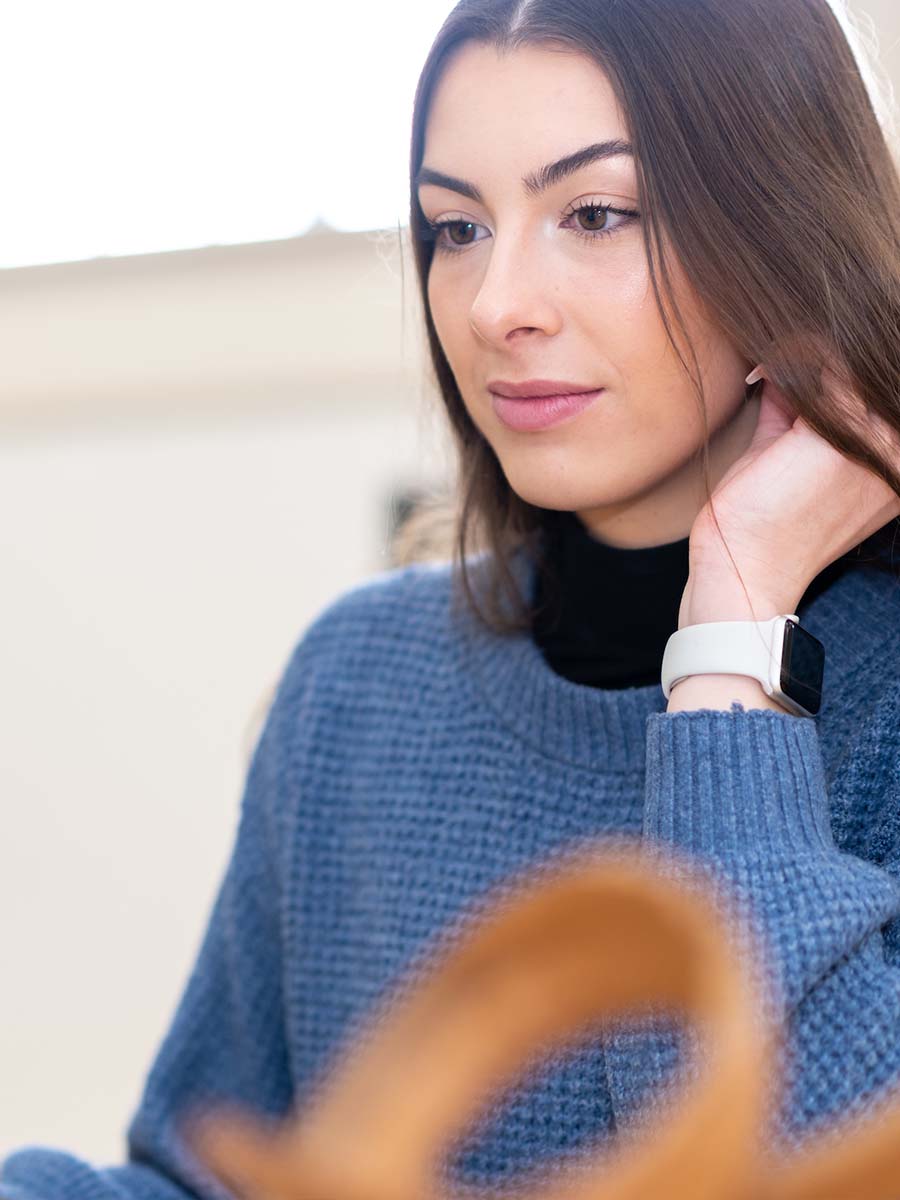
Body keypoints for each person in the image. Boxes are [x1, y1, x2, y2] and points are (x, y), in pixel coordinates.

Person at [6, 0, 900, 1196]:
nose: (493, 304)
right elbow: (209, 1176)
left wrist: (734, 642)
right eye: (457, 226)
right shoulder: (357, 676)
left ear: (776, 228)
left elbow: (799, 1163)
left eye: (595, 213)